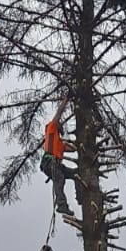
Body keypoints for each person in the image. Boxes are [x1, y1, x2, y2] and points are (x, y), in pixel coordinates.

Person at [41, 94, 79, 223]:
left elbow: (72, 149)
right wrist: (66, 100)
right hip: (49, 162)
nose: (61, 126)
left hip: (56, 165)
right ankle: (62, 206)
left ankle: (80, 195)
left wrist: (71, 143)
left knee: (76, 174)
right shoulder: (51, 129)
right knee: (59, 179)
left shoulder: (60, 142)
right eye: (60, 125)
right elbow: (59, 113)